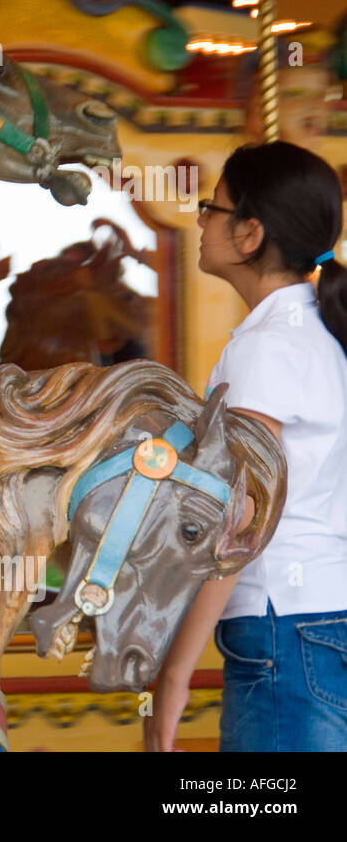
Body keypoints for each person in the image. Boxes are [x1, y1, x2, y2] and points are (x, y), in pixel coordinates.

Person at [145, 141, 347, 752]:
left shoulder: (265, 347)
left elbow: (241, 518)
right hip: (320, 613)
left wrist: (175, 674)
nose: (200, 220)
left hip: (281, 626)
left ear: (250, 233)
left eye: (213, 207)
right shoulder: (319, 331)